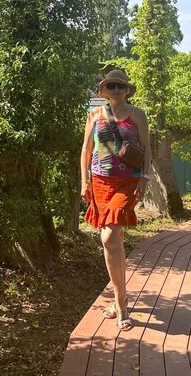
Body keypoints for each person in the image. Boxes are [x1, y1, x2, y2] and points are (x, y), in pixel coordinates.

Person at [80, 69, 151, 331]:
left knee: (109, 237)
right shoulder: (95, 115)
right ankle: (119, 295)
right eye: (112, 86)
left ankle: (120, 303)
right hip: (100, 182)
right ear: (105, 90)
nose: (116, 90)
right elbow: (86, 150)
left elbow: (147, 148)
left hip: (127, 182)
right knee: (115, 239)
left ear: (127, 90)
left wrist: (145, 178)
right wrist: (84, 181)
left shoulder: (138, 115)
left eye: (121, 86)